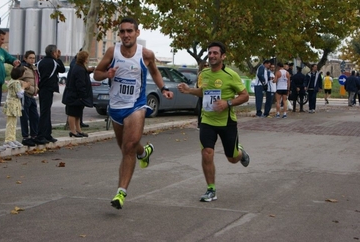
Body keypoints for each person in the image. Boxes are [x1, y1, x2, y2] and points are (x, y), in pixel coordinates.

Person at [94, 17, 174, 209]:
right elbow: (97, 73)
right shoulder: (112, 52)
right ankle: (144, 152)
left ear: (137, 33)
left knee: (128, 147)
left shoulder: (145, 54)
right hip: (116, 107)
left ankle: (121, 192)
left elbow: (154, 72)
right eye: (122, 32)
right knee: (125, 146)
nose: (126, 35)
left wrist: (163, 89)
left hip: (136, 105)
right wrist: (107, 74)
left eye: (129, 31)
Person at [178, 41, 250, 203]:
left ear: (223, 56)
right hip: (207, 120)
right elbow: (203, 92)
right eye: (210, 53)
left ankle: (240, 153)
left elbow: (244, 95)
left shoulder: (231, 75)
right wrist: (189, 90)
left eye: (215, 53)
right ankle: (211, 189)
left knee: (232, 158)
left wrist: (228, 103)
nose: (211, 56)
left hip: (227, 122)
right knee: (206, 153)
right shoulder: (204, 74)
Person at [36, 45, 65, 144]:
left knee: (46, 111)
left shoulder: (39, 62)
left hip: (41, 89)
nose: (57, 53)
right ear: (53, 53)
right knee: (45, 112)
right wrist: (59, 58)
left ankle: (47, 134)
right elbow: (62, 69)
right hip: (48, 89)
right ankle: (40, 135)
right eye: (57, 52)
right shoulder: (54, 62)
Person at [62, 51, 93, 137]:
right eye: (87, 58)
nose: (88, 59)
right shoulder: (79, 69)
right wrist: (82, 95)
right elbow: (80, 84)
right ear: (84, 59)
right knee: (72, 113)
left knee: (78, 114)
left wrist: (88, 72)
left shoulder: (80, 67)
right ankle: (73, 131)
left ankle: (78, 130)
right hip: (74, 96)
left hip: (75, 95)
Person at [3, 66, 29, 149]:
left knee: (13, 123)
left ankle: (12, 139)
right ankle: (8, 140)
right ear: (20, 74)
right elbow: (20, 94)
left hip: (12, 104)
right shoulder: (16, 83)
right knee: (11, 123)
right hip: (12, 104)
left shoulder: (12, 81)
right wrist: (24, 87)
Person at [19, 50, 41, 147]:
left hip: (32, 96)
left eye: (33, 58)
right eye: (30, 58)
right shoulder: (23, 68)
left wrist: (36, 89)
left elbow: (35, 81)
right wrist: (29, 88)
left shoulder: (34, 68)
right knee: (25, 117)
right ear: (25, 58)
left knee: (35, 117)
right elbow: (18, 80)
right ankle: (25, 137)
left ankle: (34, 136)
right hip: (25, 95)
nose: (32, 60)